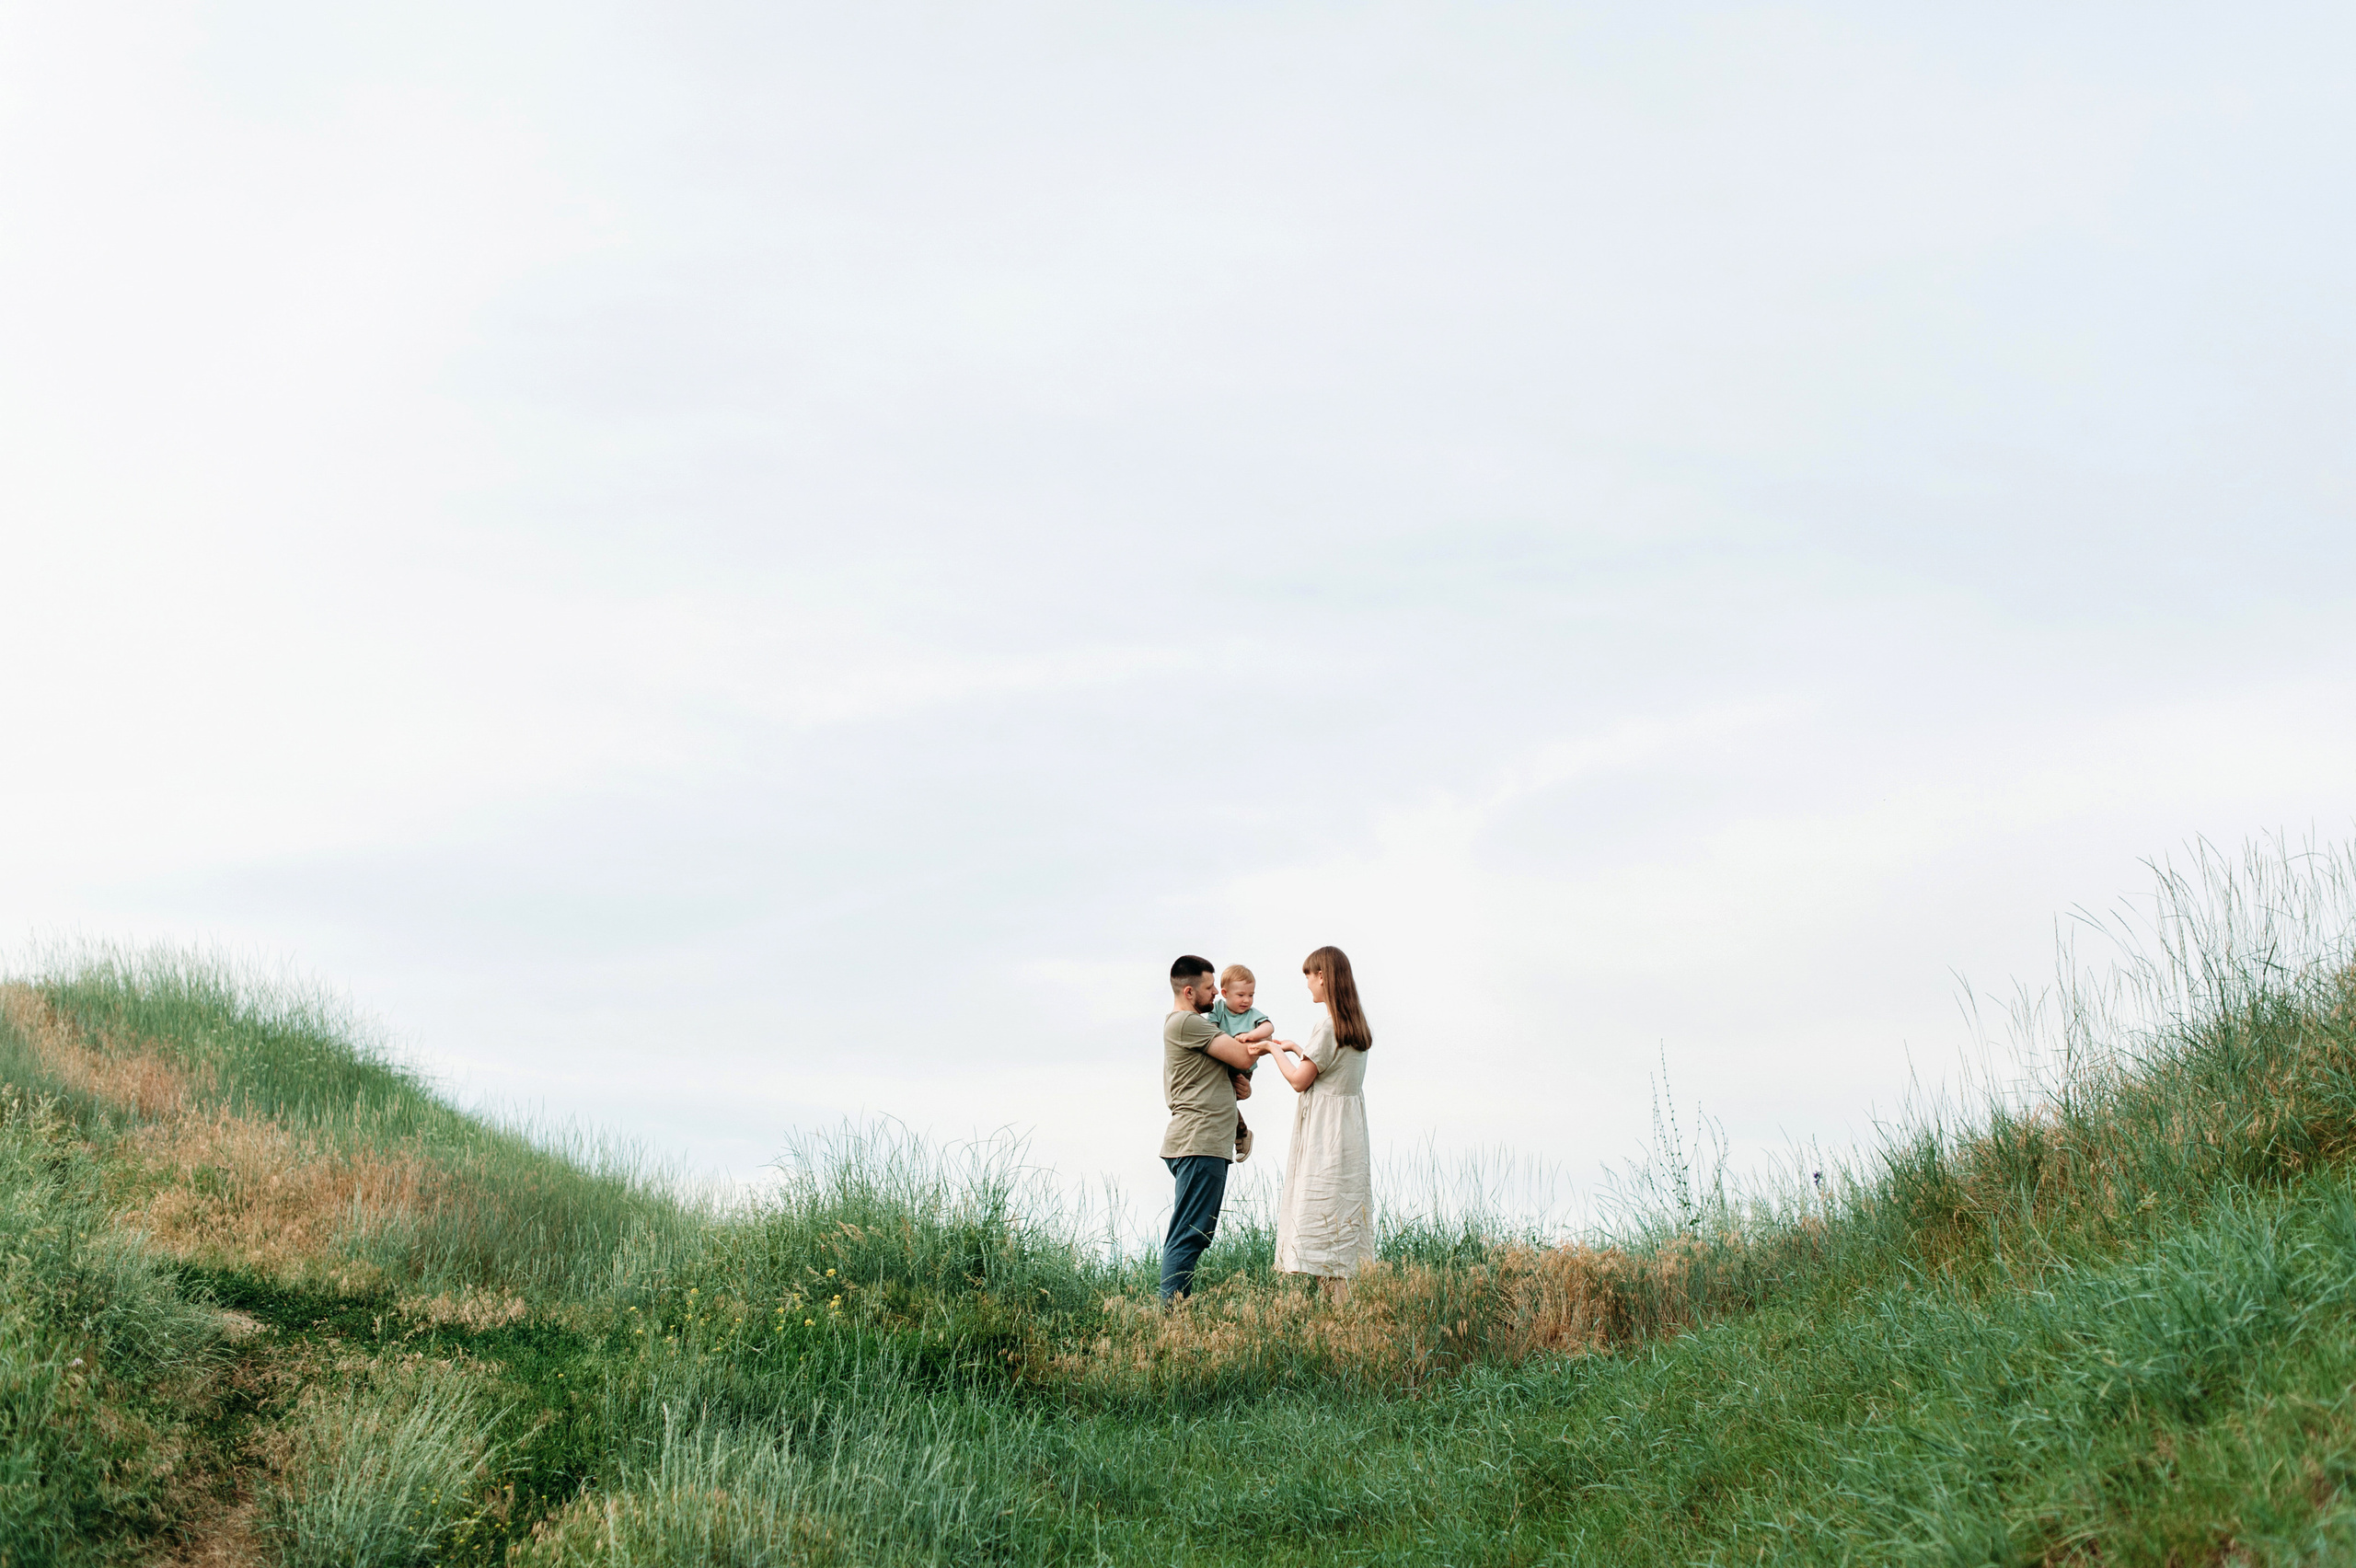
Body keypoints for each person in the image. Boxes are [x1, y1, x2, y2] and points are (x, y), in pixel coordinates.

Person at [1265, 945, 1376, 1298]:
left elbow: (1300, 1081)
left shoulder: (1327, 1026)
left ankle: (1338, 1320)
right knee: (1339, 1226)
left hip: (1325, 1136)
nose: (1308, 984)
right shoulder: (1354, 1023)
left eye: (1310, 976)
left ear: (1324, 977)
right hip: (1348, 1133)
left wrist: (1273, 1050)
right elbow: (1331, 1071)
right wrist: (1302, 1050)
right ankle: (1343, 1317)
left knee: (1321, 1217)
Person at [1160, 954, 1256, 1301]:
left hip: (1202, 1140)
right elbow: (1244, 1056)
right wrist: (1265, 1043)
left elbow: (1230, 1072)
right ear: (1189, 991)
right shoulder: (1188, 1023)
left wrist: (1239, 1087)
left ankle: (1173, 1311)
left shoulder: (1192, 1026)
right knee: (1191, 1232)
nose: (1217, 993)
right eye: (1209, 987)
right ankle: (1171, 1317)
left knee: (1195, 1231)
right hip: (1198, 1142)